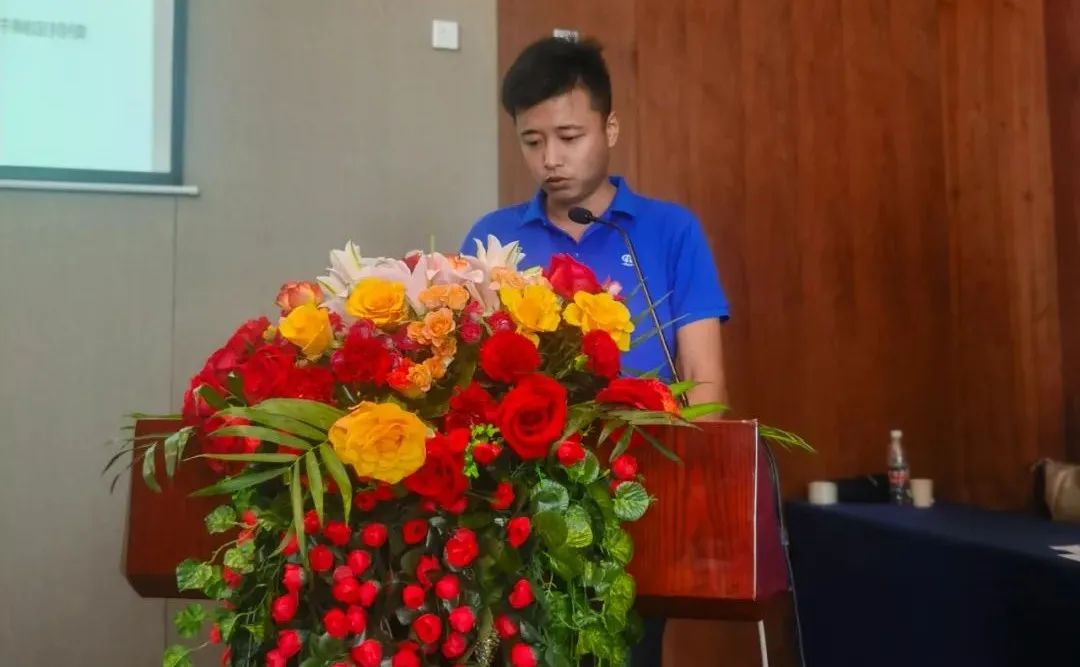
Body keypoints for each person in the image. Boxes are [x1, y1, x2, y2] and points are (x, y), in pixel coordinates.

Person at [459, 37, 732, 666]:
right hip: (516, 513)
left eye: (569, 136)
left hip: (636, 509)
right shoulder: (492, 240)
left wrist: (676, 488)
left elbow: (706, 382)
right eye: (532, 141)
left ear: (609, 128)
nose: (550, 159)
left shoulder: (670, 232)